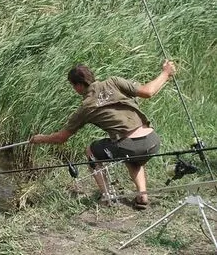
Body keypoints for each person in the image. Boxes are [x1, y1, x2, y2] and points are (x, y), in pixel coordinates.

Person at [29, 60, 176, 209]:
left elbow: (62, 138)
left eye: (73, 86)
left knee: (92, 151)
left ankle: (107, 197)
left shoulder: (86, 107)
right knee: (130, 156)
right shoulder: (114, 81)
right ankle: (142, 196)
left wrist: (40, 138)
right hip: (152, 141)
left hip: (131, 146)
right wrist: (166, 73)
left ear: (78, 86)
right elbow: (148, 92)